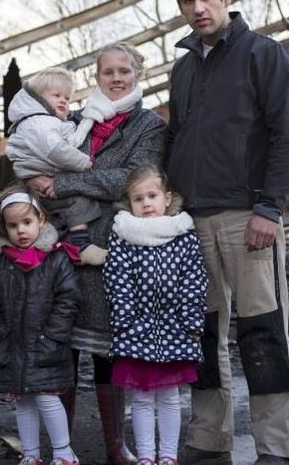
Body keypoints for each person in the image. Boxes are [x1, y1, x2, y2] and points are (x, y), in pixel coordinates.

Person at [164, 0, 289, 465]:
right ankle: (209, 438)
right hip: (191, 221)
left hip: (248, 219)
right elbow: (177, 139)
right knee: (201, 335)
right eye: (187, 0)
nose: (198, 8)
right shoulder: (181, 70)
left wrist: (269, 208)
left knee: (263, 332)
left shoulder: (264, 55)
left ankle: (273, 450)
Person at [26, 42, 166, 465]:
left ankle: (114, 445)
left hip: (112, 250)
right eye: (108, 72)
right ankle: (62, 447)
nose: (117, 77)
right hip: (61, 246)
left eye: (125, 70)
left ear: (137, 74)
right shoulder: (72, 121)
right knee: (61, 346)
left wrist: (64, 183)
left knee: (109, 349)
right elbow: (38, 160)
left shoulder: (149, 126)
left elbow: (131, 180)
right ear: (97, 76)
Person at [104, 164, 207, 465]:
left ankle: (168, 456)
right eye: (138, 199)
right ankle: (146, 456)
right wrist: (123, 321)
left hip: (176, 328)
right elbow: (116, 279)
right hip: (136, 329)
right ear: (130, 204)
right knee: (141, 398)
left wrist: (191, 321)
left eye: (152, 196)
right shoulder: (124, 236)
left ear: (167, 198)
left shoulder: (182, 236)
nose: (146, 203)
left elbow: (194, 280)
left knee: (170, 397)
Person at [0, 186, 82, 465]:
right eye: (13, 226)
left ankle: (63, 453)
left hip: (48, 346)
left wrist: (52, 337)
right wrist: (1, 335)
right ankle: (31, 454)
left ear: (41, 221)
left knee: (48, 400)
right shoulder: (0, 263)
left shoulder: (55, 259)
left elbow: (68, 299)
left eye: (27, 222)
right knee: (23, 402)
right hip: (13, 346)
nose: (21, 230)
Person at [6, 67, 103, 255]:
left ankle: (45, 244)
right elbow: (56, 150)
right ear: (38, 99)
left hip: (37, 174)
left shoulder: (44, 121)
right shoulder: (40, 122)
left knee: (49, 213)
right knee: (77, 201)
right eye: (56, 95)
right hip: (40, 172)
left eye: (67, 98)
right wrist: (84, 162)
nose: (63, 101)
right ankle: (81, 245)